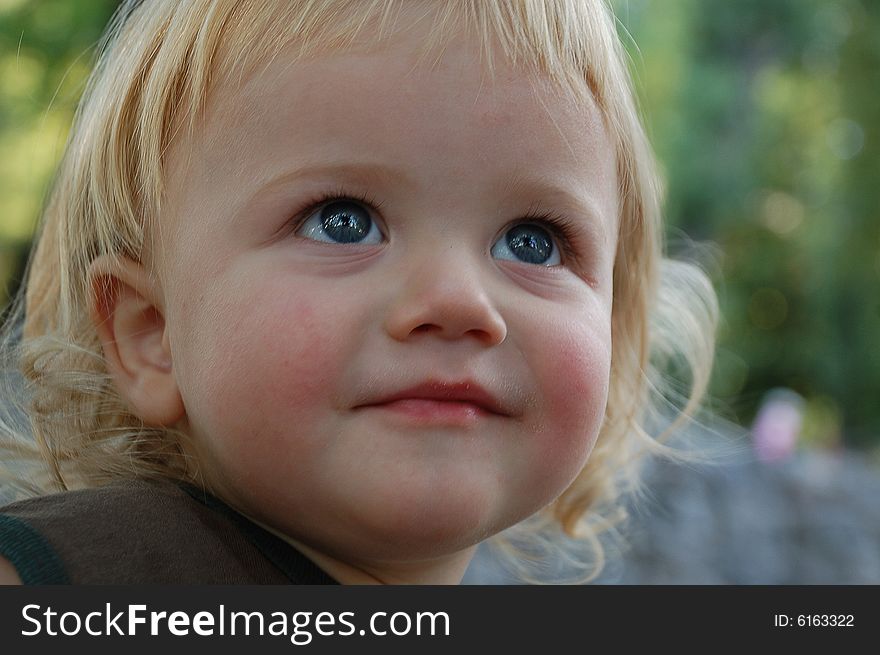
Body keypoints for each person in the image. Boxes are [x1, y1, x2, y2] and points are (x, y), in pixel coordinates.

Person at [0, 0, 718, 584]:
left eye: (533, 240)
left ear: (618, 331)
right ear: (152, 332)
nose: (460, 301)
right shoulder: (83, 576)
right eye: (343, 222)